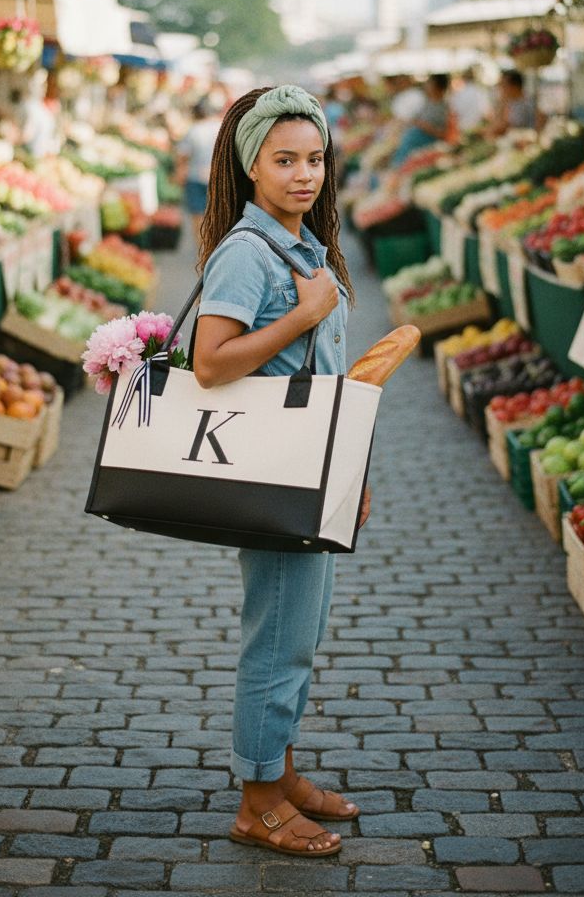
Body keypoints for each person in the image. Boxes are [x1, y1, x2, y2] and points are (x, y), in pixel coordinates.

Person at [192, 84, 363, 858]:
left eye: (316, 157)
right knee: (278, 639)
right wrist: (301, 314)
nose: (304, 173)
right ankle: (257, 802)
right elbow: (209, 364)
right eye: (284, 159)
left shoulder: (301, 247)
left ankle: (281, 770)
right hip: (270, 476)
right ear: (250, 164)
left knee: (302, 629)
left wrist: (351, 474)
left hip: (308, 469)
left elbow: (326, 378)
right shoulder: (247, 253)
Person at [176, 96, 224, 244]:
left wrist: (179, 172)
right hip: (218, 178)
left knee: (197, 215)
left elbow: (183, 155)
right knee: (218, 213)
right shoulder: (222, 127)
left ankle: (201, 248)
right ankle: (216, 246)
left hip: (195, 177)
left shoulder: (194, 130)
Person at [392, 73, 450, 165]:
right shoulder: (428, 102)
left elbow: (443, 134)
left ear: (436, 86)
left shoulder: (442, 107)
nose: (425, 85)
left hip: (424, 143)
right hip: (412, 140)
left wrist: (423, 125)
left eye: (429, 83)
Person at [489, 69, 539, 135]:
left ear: (514, 86)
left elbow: (502, 127)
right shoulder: (512, 102)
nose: (501, 88)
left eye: (503, 85)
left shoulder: (527, 103)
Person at [449, 67, 490, 133]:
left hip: (461, 129)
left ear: (464, 78)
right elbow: (486, 113)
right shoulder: (481, 92)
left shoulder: (458, 93)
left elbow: (452, 112)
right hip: (477, 129)